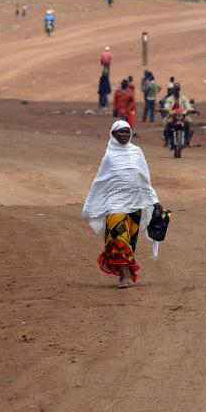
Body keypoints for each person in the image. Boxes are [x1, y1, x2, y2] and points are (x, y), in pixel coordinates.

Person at [82, 120, 161, 289]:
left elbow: (145, 179)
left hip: (135, 203)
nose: (124, 135)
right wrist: (91, 206)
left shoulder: (137, 152)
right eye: (121, 132)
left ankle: (122, 270)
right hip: (115, 204)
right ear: (113, 134)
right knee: (119, 237)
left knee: (129, 241)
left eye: (127, 132)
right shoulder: (109, 156)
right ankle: (124, 275)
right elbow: (100, 182)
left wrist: (154, 200)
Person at [161, 82, 195, 149]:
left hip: (182, 116)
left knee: (190, 123)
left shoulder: (184, 98)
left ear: (180, 90)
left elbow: (188, 106)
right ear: (173, 89)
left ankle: (188, 140)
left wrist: (190, 110)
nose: (177, 90)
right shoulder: (169, 99)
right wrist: (167, 109)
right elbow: (167, 106)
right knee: (166, 123)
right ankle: (166, 140)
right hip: (172, 116)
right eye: (176, 89)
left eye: (178, 89)